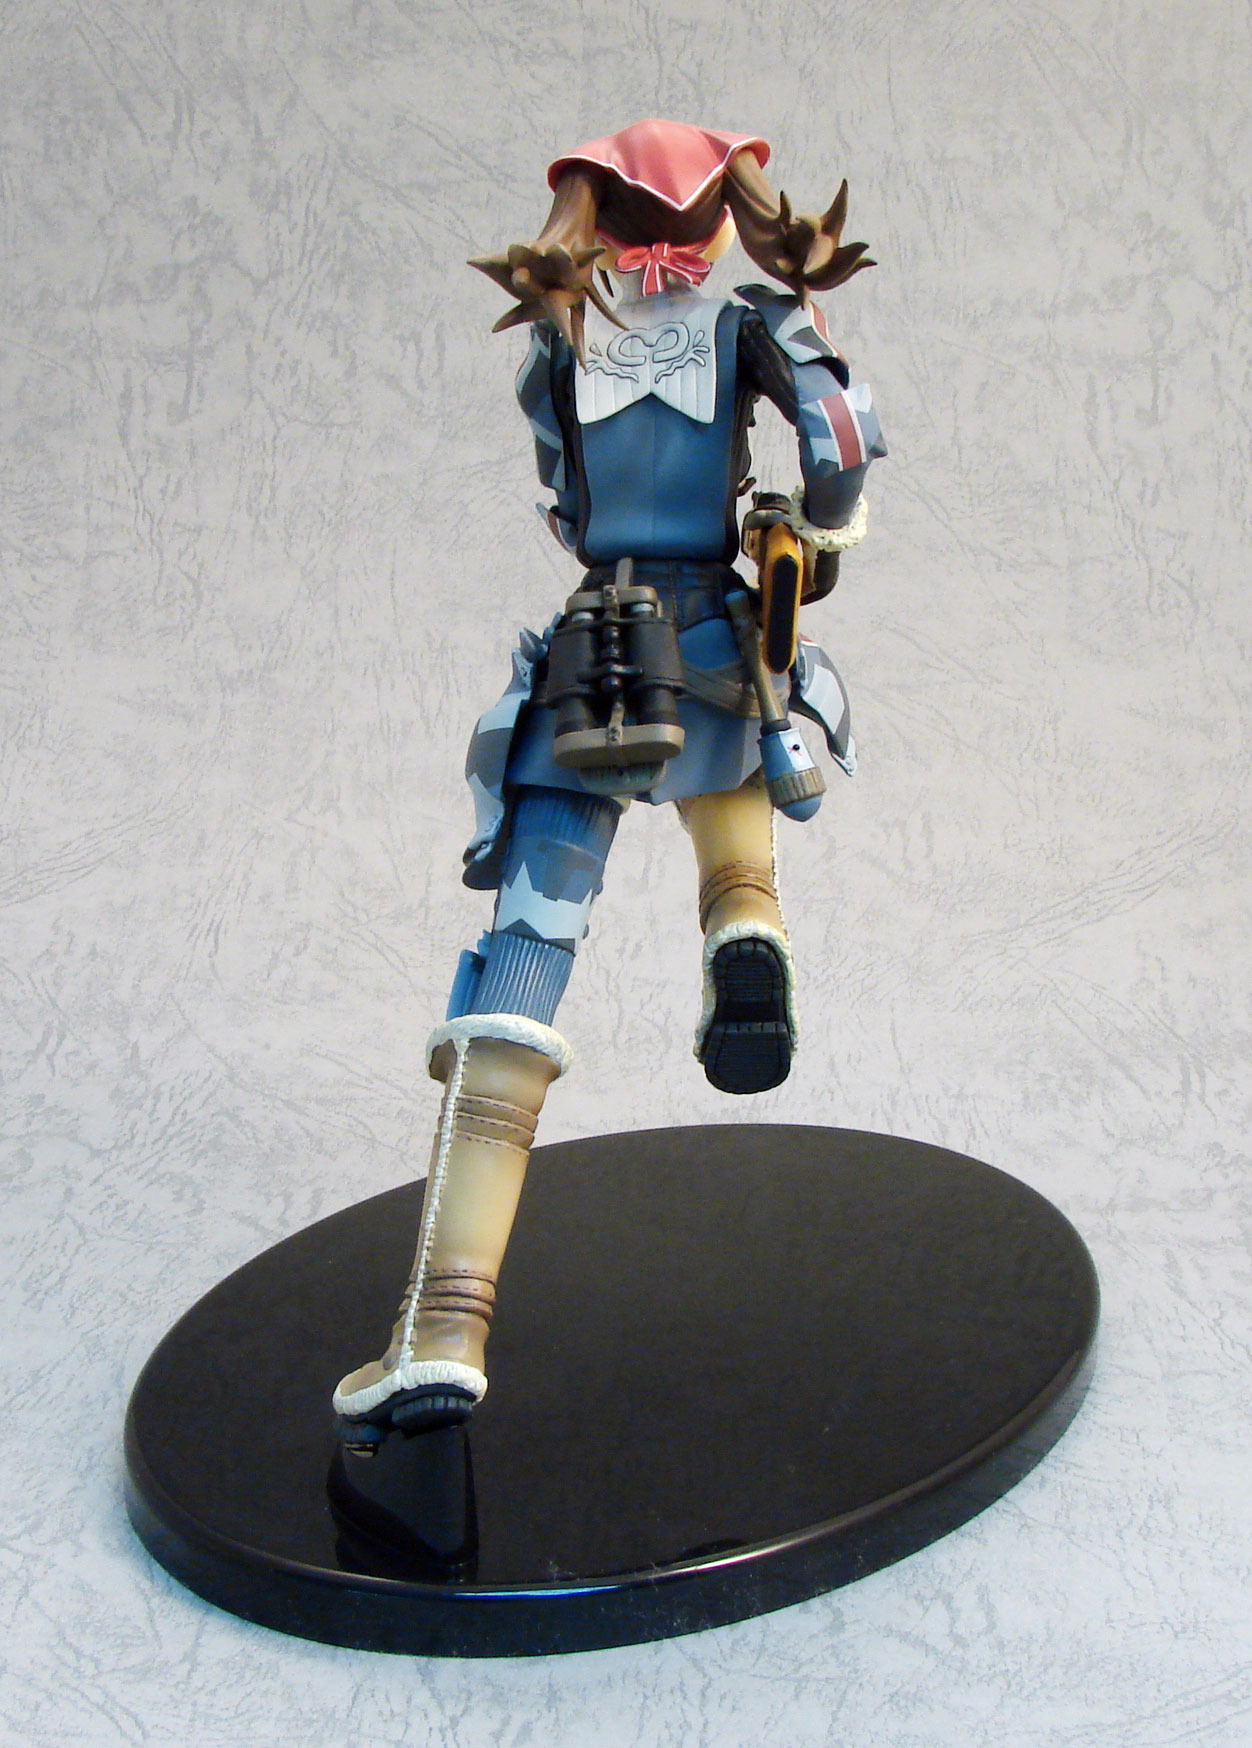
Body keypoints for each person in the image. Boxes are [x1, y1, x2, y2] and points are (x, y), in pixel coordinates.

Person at [333, 119, 886, 1447]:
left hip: (599, 653)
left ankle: (446, 1328)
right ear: (722, 216)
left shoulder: (560, 333)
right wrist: (811, 538)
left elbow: (565, 495)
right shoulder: (755, 321)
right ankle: (745, 933)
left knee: (520, 968)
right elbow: (842, 440)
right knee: (736, 775)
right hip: (717, 641)